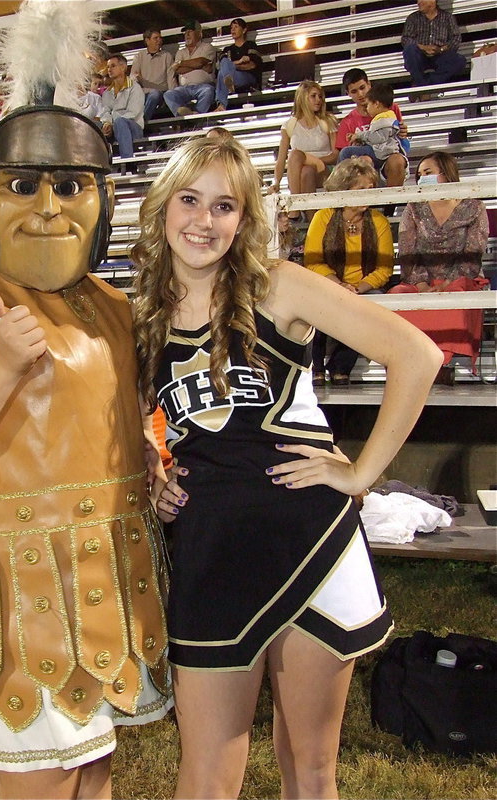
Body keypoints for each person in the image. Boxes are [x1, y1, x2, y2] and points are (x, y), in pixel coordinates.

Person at [0, 1, 171, 795]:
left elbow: (124, 416)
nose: (48, 206)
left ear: (101, 199)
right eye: (23, 184)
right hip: (24, 581)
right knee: (42, 776)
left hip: (116, 565)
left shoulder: (113, 308)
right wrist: (4, 368)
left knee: (99, 767)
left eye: (71, 185)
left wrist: (153, 456)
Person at [130, 135, 442, 799]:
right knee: (208, 772)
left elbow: (416, 356)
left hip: (310, 543)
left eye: (224, 206)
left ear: (244, 218)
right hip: (210, 546)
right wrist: (153, 471)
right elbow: (131, 421)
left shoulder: (279, 286)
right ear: (163, 206)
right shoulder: (142, 318)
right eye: (190, 199)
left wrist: (359, 475)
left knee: (310, 767)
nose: (203, 220)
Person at [390, 151, 489, 383]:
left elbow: (473, 252)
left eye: (428, 172)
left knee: (457, 293)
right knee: (397, 296)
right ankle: (411, 361)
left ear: (446, 174)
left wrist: (447, 283)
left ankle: (440, 364)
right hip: (421, 281)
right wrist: (423, 284)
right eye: (419, 174)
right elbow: (407, 250)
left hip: (460, 277)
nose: (422, 177)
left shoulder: (474, 207)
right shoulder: (414, 208)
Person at [304, 159, 394, 386]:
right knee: (313, 299)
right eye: (360, 189)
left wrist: (358, 288)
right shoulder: (323, 217)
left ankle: (340, 367)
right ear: (344, 190)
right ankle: (314, 365)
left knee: (372, 303)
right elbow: (313, 261)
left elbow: (384, 269)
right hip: (328, 283)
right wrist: (338, 285)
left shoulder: (379, 221)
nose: (367, 194)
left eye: (370, 189)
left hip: (363, 288)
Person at [270, 80, 338, 215]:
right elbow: (281, 159)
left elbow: (335, 154)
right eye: (313, 96)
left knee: (296, 155)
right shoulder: (289, 125)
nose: (318, 100)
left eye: (320, 96)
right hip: (301, 172)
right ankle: (310, 221)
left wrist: (313, 159)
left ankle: (294, 207)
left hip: (324, 169)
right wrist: (275, 182)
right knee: (305, 169)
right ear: (302, 98)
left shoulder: (328, 121)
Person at [336, 69, 408, 188]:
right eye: (354, 91)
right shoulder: (347, 122)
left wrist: (403, 132)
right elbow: (346, 158)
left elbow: (398, 134)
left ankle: (392, 205)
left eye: (362, 87)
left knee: (397, 159)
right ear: (348, 93)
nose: (360, 94)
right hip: (364, 164)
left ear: (369, 84)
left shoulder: (390, 108)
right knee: (364, 160)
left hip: (387, 156)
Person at [401, 0, 466, 89]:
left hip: (440, 55)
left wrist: (441, 49)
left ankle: (422, 84)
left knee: (460, 61)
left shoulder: (447, 17)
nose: (418, 2)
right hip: (420, 56)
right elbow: (405, 39)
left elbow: (456, 39)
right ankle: (423, 87)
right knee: (410, 50)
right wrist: (424, 47)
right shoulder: (413, 18)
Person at [349, 83, 408, 175]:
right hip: (381, 151)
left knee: (346, 152)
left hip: (383, 153)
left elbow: (377, 138)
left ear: (376, 104)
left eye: (368, 105)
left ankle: (339, 184)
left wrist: (359, 136)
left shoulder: (383, 120)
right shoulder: (387, 117)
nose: (367, 109)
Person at [164, 21, 216, 117]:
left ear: (199, 34)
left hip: (203, 86)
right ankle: (184, 115)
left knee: (208, 91)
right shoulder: (180, 52)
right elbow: (178, 70)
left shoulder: (207, 47)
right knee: (168, 94)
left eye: (190, 31)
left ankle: (196, 117)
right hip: (184, 88)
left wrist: (180, 63)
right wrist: (199, 65)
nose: (187, 34)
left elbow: (200, 61)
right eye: (185, 32)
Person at [100, 53, 144, 160]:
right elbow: (105, 111)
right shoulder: (107, 92)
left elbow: (133, 113)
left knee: (120, 122)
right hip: (116, 127)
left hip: (133, 128)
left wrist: (113, 123)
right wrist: (107, 123)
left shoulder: (135, 88)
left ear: (123, 67)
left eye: (113, 66)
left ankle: (127, 161)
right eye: (108, 67)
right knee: (96, 126)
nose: (109, 69)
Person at [214, 18, 263, 112]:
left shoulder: (250, 45)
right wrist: (239, 61)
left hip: (248, 78)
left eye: (236, 27)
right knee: (222, 67)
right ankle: (228, 82)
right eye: (231, 27)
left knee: (223, 71)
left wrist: (231, 66)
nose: (233, 30)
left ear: (244, 30)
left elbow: (252, 65)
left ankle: (222, 103)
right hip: (232, 76)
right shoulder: (227, 49)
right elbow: (220, 65)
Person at [130, 28, 176, 122]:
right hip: (143, 94)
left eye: (160, 38)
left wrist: (173, 95)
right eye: (155, 38)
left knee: (155, 94)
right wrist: (136, 77)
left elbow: (171, 78)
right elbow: (133, 76)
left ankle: (142, 122)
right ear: (147, 41)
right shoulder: (139, 56)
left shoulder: (167, 56)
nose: (159, 40)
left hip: (160, 94)